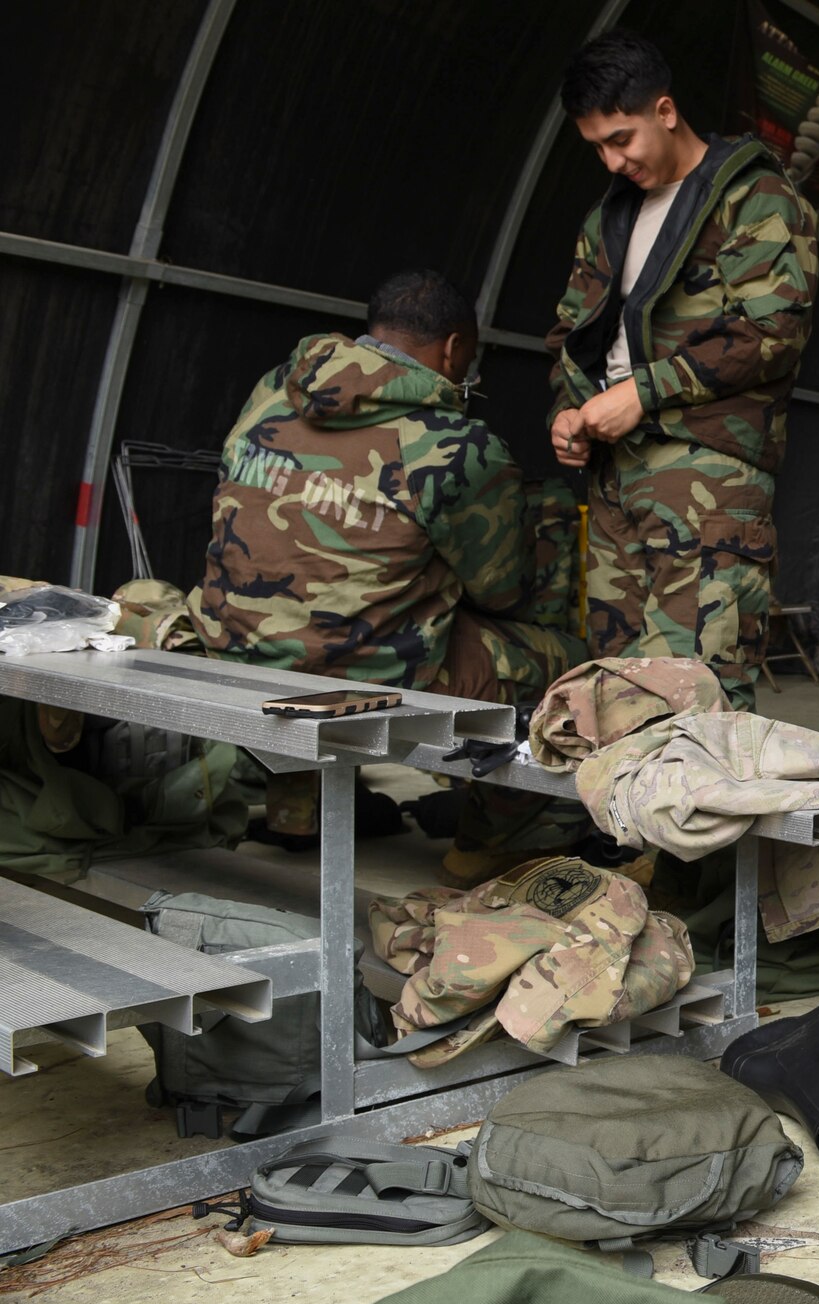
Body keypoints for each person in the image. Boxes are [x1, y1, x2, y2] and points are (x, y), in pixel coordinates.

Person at [189, 270, 587, 880]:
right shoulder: (458, 446)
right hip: (354, 679)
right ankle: (495, 842)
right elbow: (501, 592)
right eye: (468, 359)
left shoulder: (274, 388)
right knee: (567, 670)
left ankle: (298, 804)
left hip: (233, 648)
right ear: (454, 349)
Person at [546, 29, 818, 712]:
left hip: (708, 474)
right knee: (610, 691)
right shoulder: (609, 217)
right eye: (598, 147)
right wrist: (568, 407)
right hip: (615, 477)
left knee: (698, 695)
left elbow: (774, 330)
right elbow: (570, 331)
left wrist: (643, 391)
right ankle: (617, 825)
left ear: (665, 111)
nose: (612, 160)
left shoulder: (754, 198)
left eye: (622, 138)